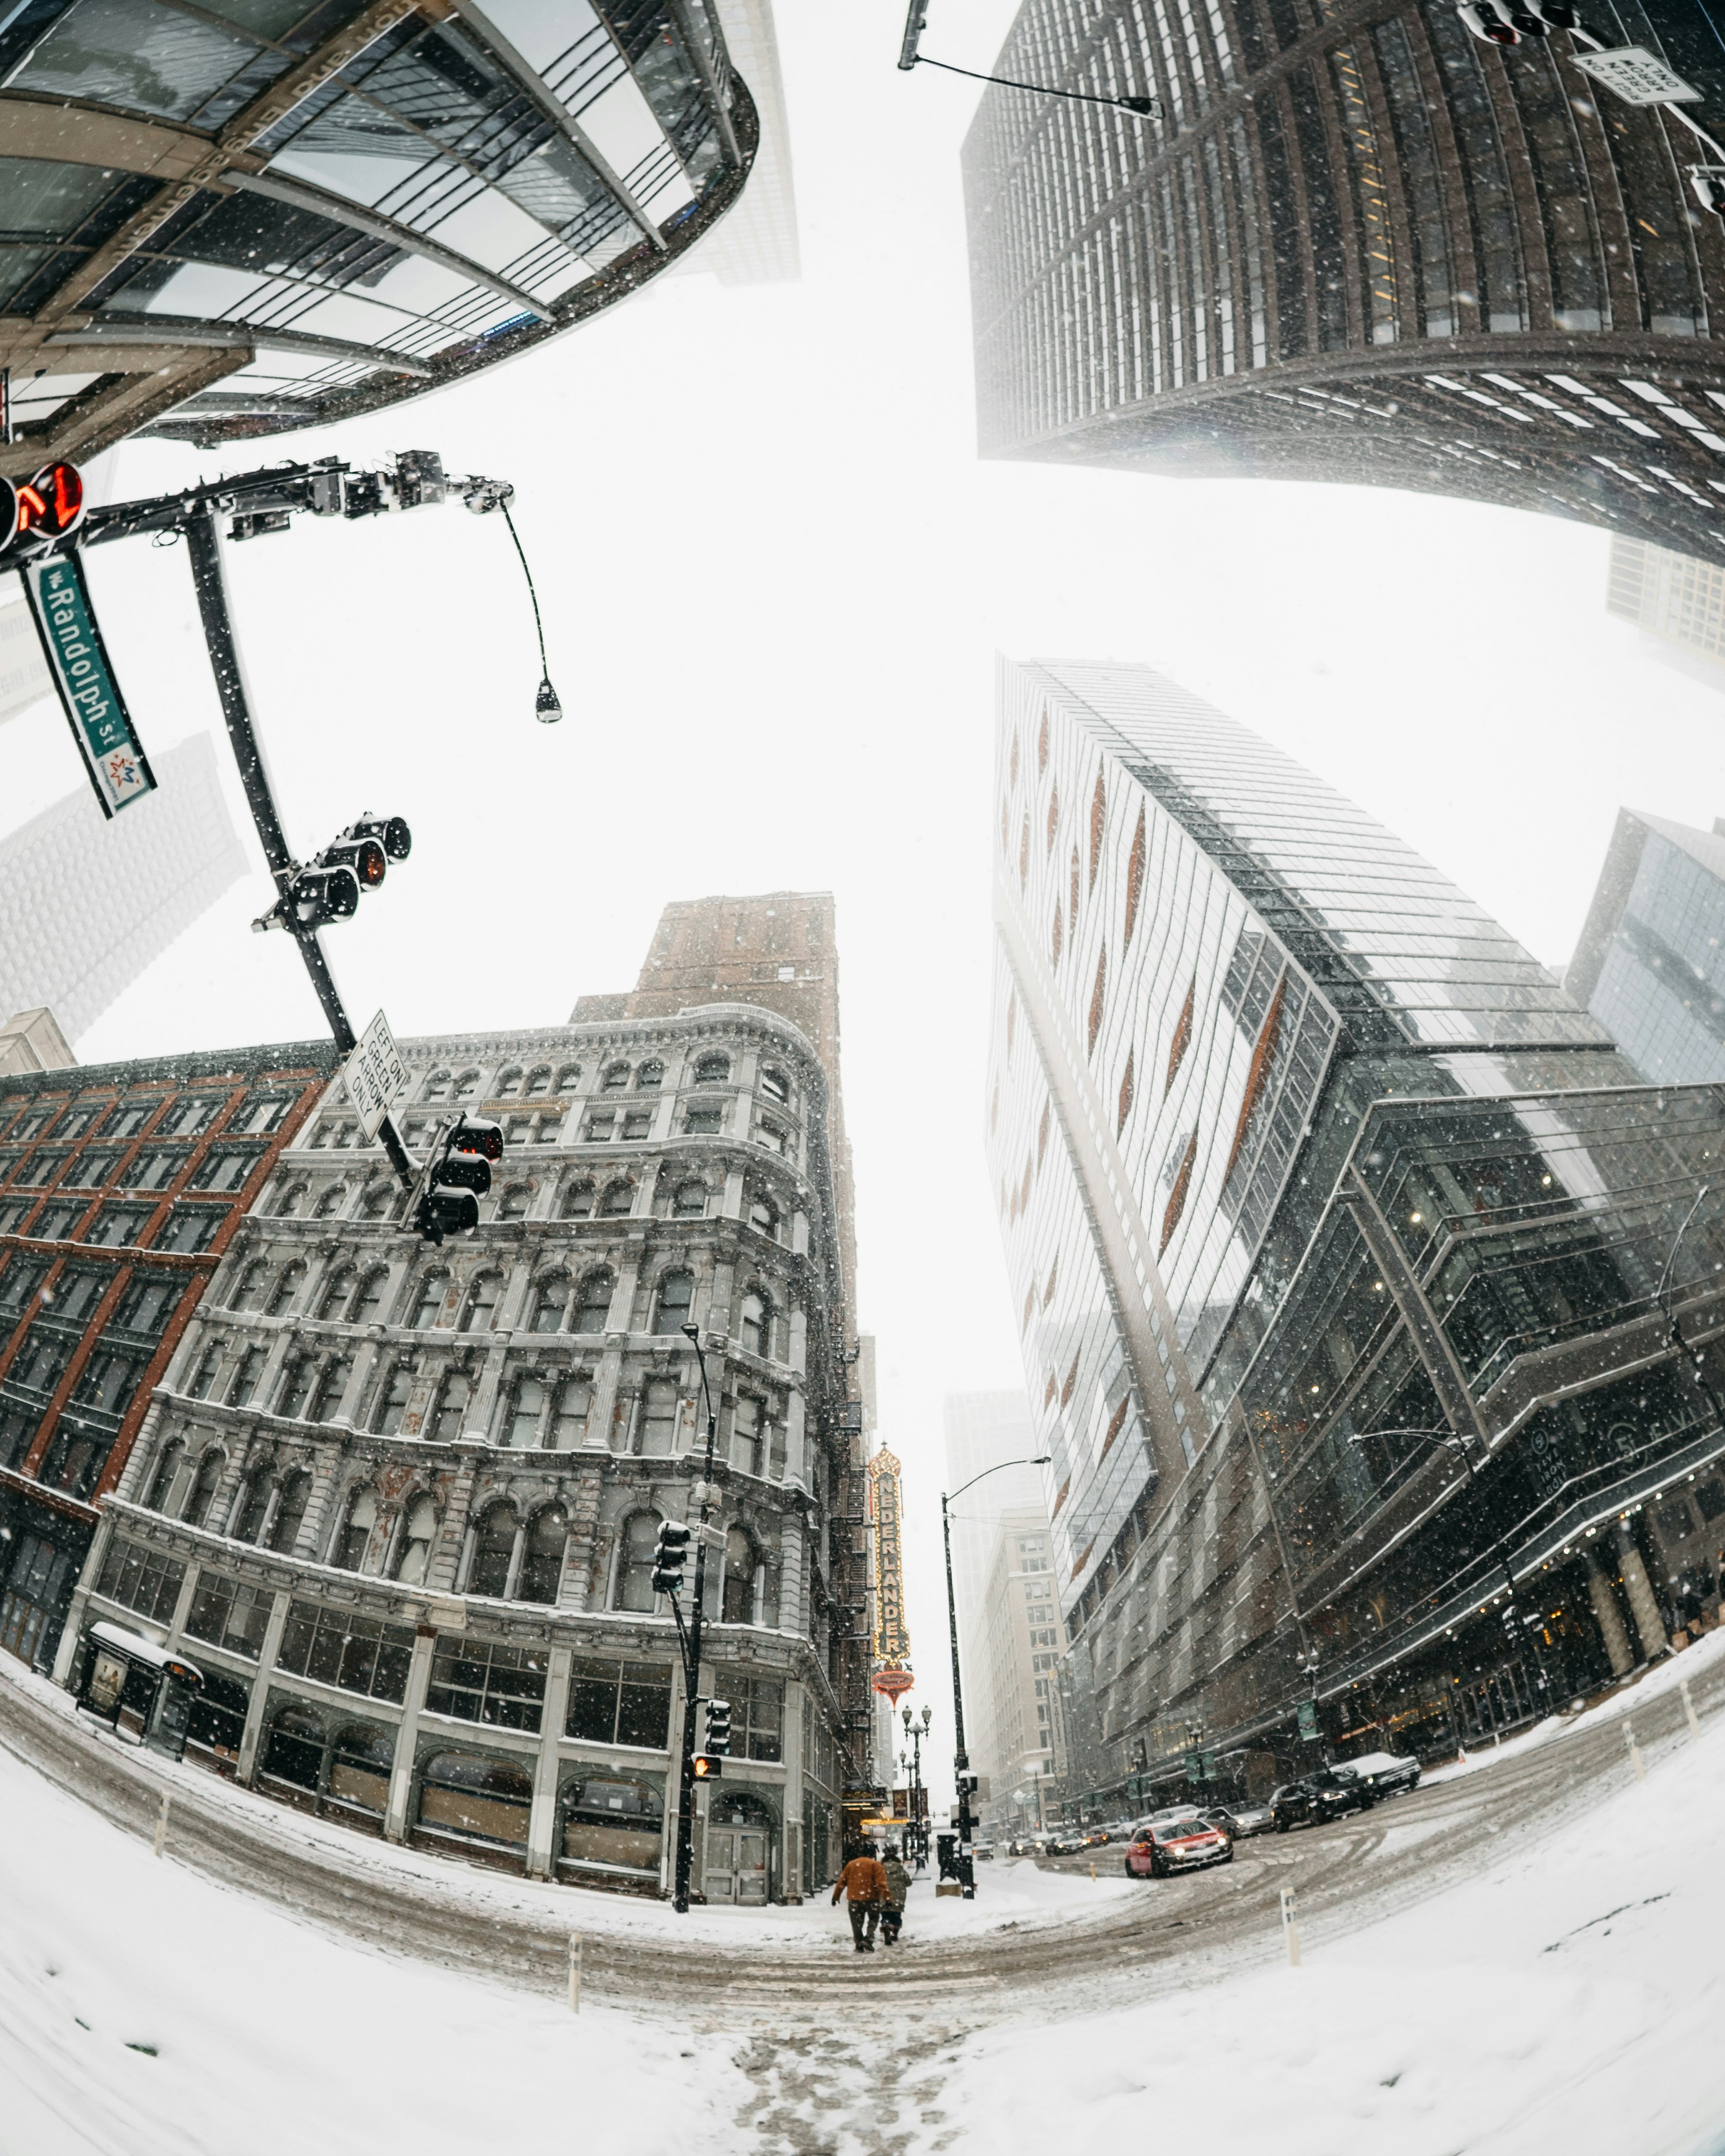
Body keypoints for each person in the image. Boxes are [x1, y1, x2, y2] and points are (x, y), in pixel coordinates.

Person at [831, 1843, 888, 1952]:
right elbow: (881, 1884)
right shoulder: (875, 1865)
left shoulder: (851, 1865)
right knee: (874, 1918)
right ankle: (868, 1938)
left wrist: (836, 1897)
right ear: (873, 1854)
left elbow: (841, 1882)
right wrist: (887, 1898)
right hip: (872, 1898)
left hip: (854, 1899)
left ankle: (859, 1943)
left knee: (856, 1922)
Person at [880, 1843, 911, 1944]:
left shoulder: (880, 1869)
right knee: (896, 1916)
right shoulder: (900, 1868)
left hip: (884, 1897)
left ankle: (886, 1926)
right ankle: (894, 1934)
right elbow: (908, 1882)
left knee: (885, 1914)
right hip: (898, 1897)